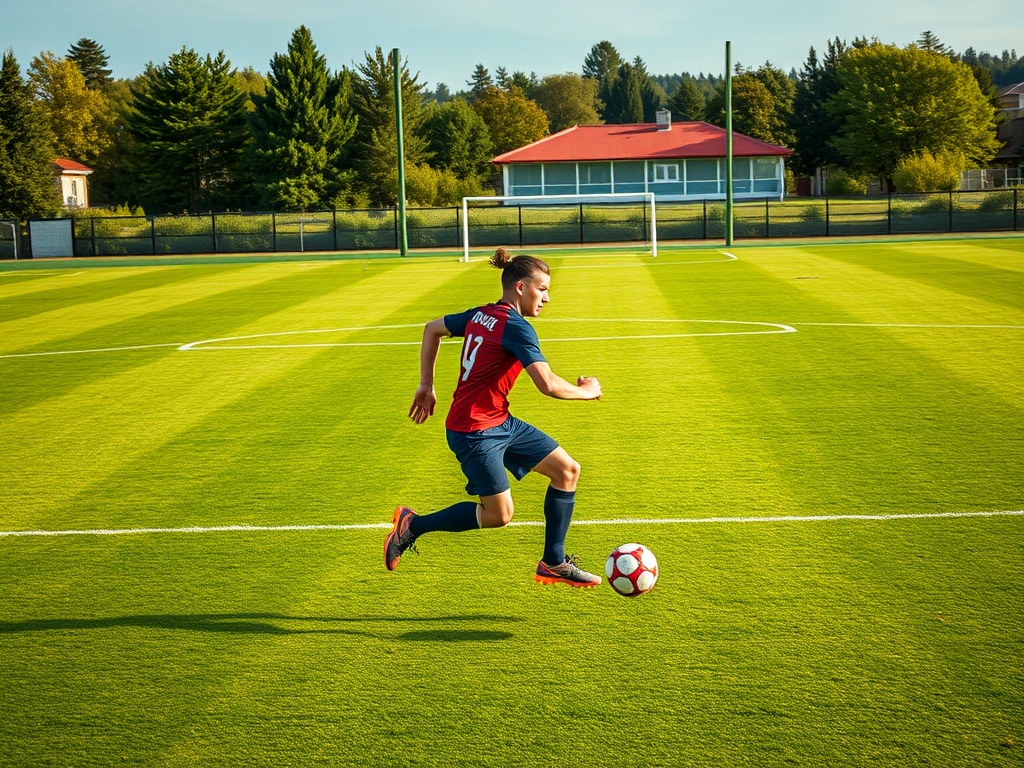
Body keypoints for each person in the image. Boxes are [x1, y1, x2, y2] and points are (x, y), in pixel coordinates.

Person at [384, 247, 604, 587]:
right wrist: (588, 391)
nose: (547, 298)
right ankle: (413, 525)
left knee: (567, 470)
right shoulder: (516, 327)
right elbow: (547, 385)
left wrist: (427, 384)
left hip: (499, 421)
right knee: (498, 515)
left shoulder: (480, 314)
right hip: (473, 431)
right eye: (542, 288)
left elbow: (431, 329)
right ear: (521, 287)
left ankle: (553, 562)